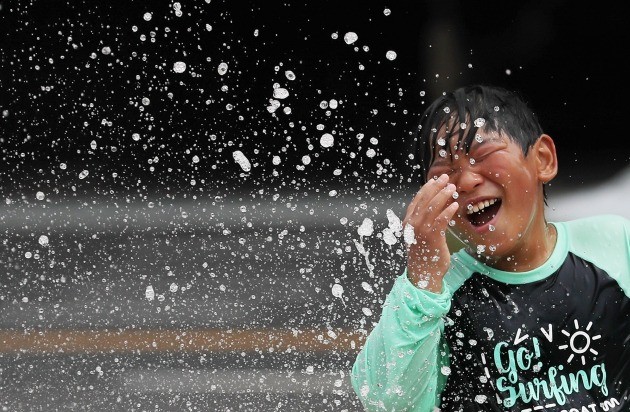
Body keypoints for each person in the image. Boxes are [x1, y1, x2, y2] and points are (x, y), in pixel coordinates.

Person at [350, 84, 630, 411]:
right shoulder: (434, 295)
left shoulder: (614, 244)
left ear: (542, 159)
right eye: (445, 170)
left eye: (482, 156)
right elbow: (386, 402)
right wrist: (422, 280)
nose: (465, 181)